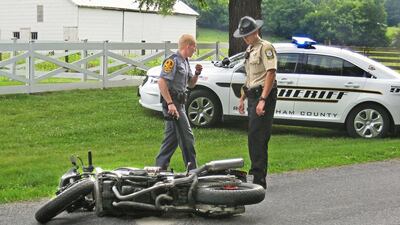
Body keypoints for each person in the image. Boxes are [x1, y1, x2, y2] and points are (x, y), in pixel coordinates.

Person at [233, 16, 278, 189]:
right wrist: (243, 97)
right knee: (253, 136)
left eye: (247, 35)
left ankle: (259, 178)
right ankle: (256, 172)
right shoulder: (249, 49)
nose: (245, 38)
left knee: (258, 136)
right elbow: (250, 77)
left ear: (255, 32)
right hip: (252, 96)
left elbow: (271, 73)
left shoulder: (266, 47)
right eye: (243, 36)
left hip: (263, 96)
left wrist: (263, 100)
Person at [155, 34, 203, 171]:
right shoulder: (172, 61)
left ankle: (159, 170)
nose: (195, 51)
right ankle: (193, 171)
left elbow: (191, 84)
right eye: (194, 48)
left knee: (171, 140)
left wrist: (197, 74)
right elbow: (162, 81)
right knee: (187, 138)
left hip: (180, 104)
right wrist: (170, 104)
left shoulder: (185, 61)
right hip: (173, 104)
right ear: (188, 46)